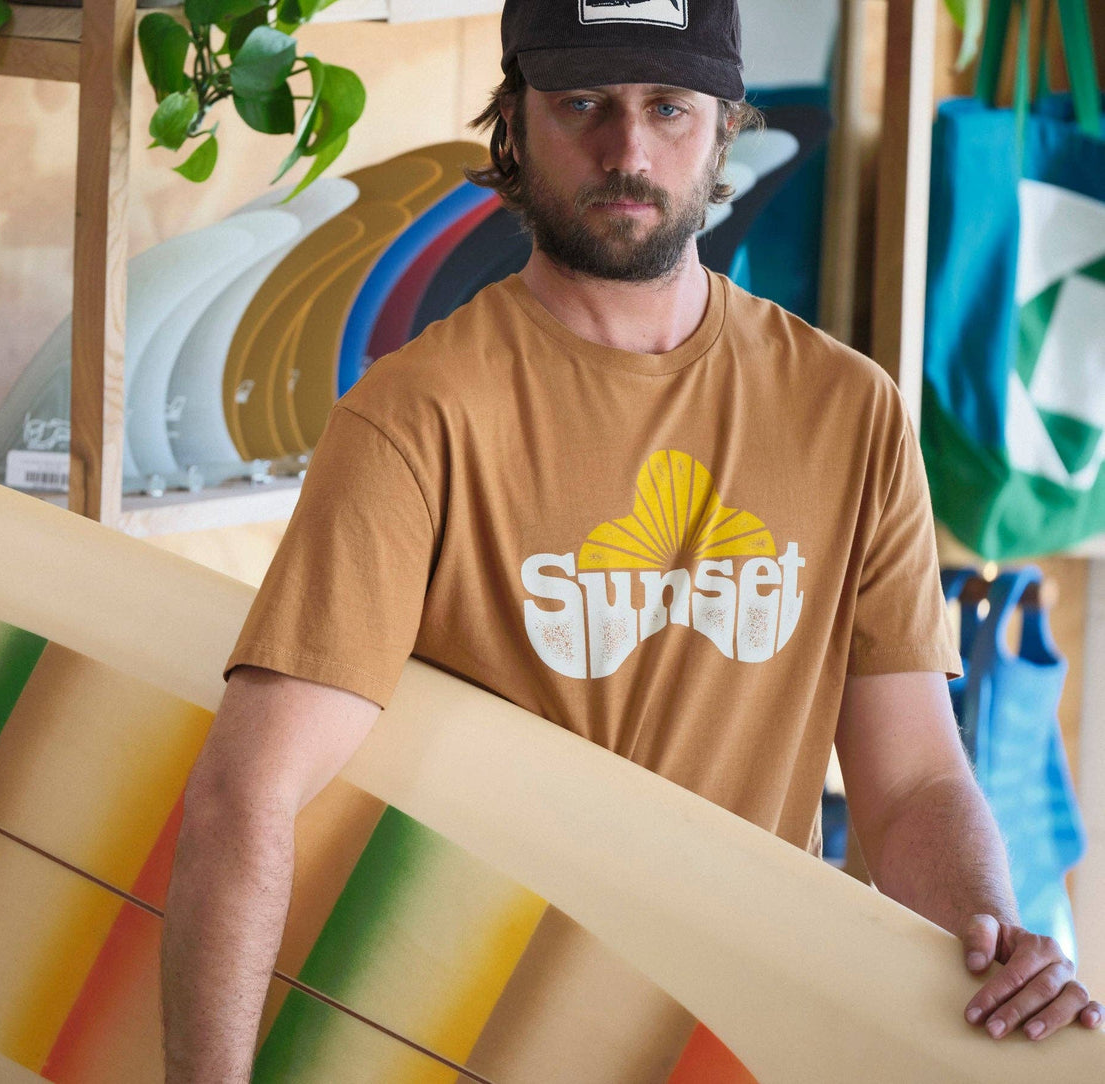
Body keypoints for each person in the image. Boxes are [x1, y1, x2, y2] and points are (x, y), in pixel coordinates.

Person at [160, 0, 1102, 1078]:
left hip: (736, 1035)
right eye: (581, 105)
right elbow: (249, 793)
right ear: (512, 125)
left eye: (666, 107)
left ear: (723, 126)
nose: (627, 150)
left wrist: (989, 936)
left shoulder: (849, 413)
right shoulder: (416, 417)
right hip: (467, 1031)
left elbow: (910, 788)